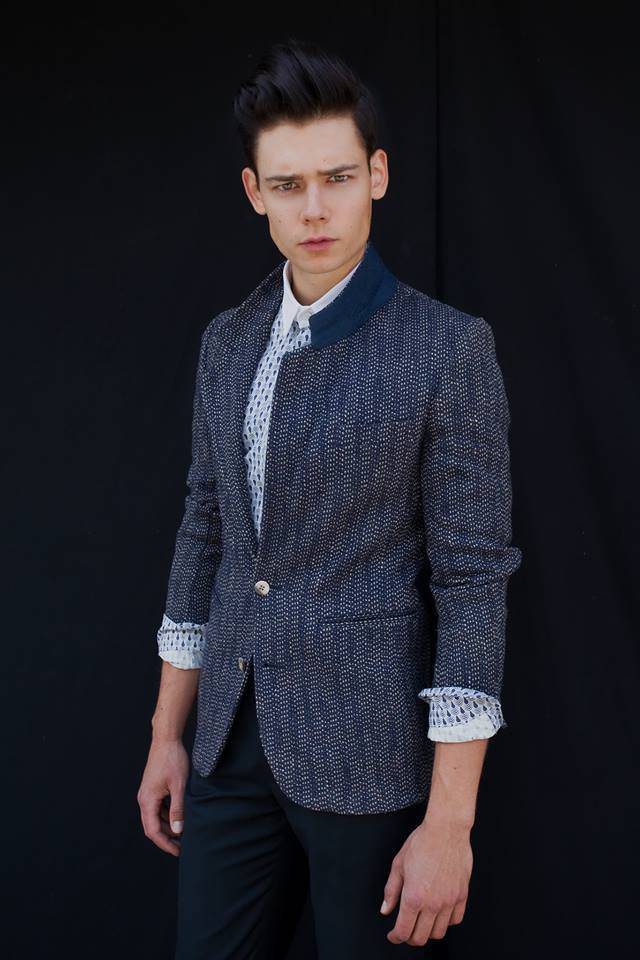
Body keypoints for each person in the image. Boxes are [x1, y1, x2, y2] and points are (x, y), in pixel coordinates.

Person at [137, 37, 523, 959]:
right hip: (228, 747)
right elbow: (204, 533)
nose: (314, 208)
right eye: (288, 185)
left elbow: (472, 583)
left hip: (371, 759)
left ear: (377, 175)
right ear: (254, 193)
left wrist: (451, 822)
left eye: (337, 178)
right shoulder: (227, 342)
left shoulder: (448, 351)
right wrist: (166, 733)